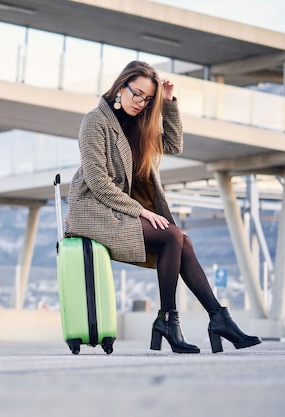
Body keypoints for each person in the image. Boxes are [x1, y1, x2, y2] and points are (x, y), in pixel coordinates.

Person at [64, 60, 261, 354]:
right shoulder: (95, 121)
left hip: (120, 210)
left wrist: (168, 104)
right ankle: (176, 321)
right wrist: (141, 211)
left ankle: (213, 318)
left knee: (182, 240)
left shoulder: (141, 123)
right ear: (121, 86)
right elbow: (97, 181)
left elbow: (174, 144)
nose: (141, 103)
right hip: (93, 210)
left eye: (147, 99)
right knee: (172, 236)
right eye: (137, 94)